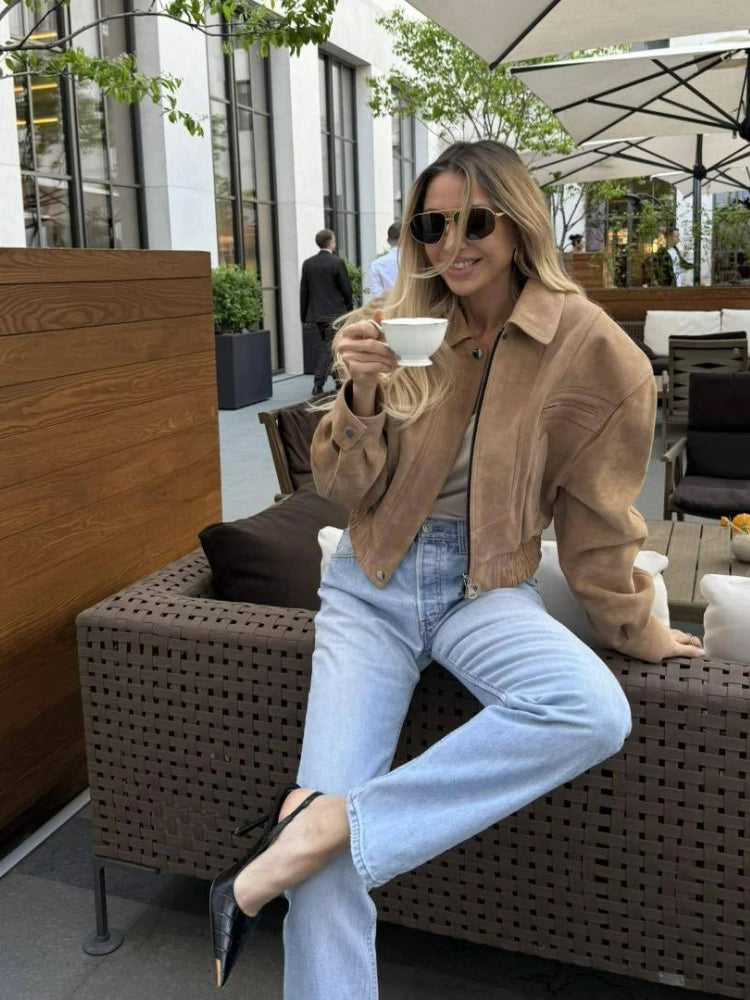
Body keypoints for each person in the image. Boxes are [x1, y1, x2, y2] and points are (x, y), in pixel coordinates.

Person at [209, 140, 705, 995]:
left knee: (590, 711)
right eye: (432, 224)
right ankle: (317, 836)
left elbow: (598, 516)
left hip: (488, 589)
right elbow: (342, 487)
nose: (451, 245)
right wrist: (359, 398)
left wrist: (638, 624)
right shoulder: (397, 320)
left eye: (474, 222)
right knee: (327, 865)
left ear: (518, 224)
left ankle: (313, 828)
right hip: (371, 586)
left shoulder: (592, 347)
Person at [300, 229, 353, 396]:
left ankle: (338, 381)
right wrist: (350, 310)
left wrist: (304, 315)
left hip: (317, 314)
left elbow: (304, 291)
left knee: (332, 346)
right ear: (330, 243)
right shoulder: (337, 262)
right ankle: (318, 382)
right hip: (335, 314)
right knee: (329, 346)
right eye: (334, 241)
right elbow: (346, 289)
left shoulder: (308, 263)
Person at [368, 221, 401, 296]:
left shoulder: (376, 264)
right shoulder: (417, 262)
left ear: (388, 241)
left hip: (387, 306)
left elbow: (377, 294)